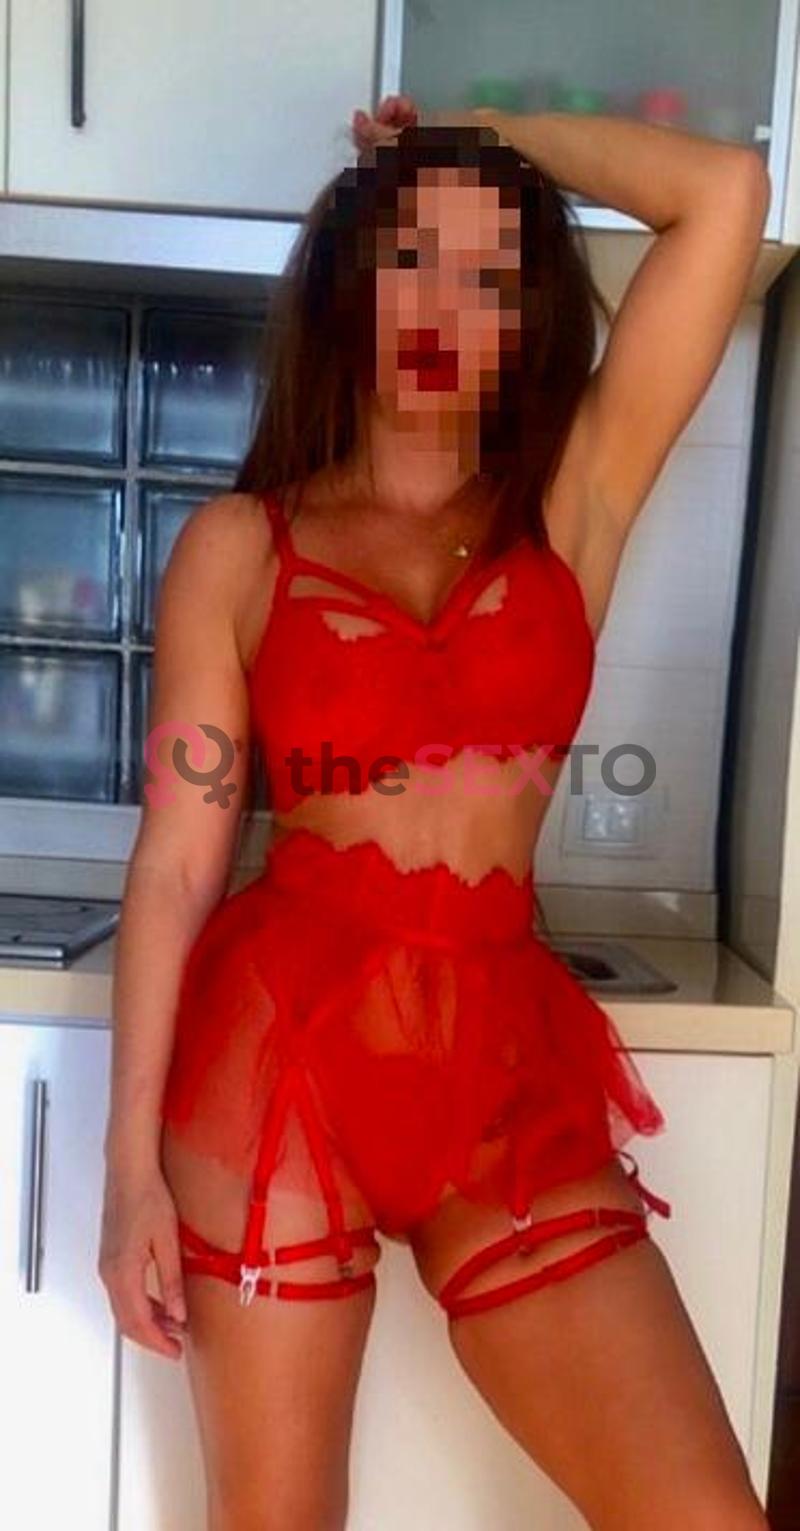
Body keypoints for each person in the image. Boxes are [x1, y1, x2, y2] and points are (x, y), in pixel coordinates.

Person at [99, 93, 771, 1530]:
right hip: (277, 1063)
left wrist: (476, 125)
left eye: (488, 275)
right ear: (350, 281)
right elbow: (176, 870)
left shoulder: (574, 505)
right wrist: (125, 1176)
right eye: (410, 257)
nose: (441, 308)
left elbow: (725, 193)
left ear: (528, 319)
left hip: (501, 1061)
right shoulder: (239, 548)